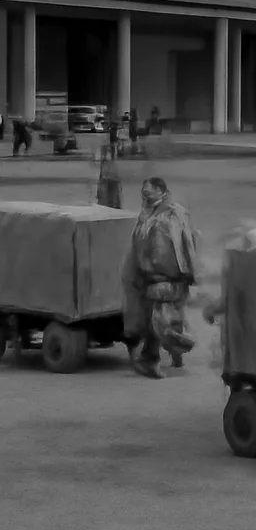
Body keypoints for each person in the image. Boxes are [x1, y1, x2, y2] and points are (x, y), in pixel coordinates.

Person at [122, 177, 200, 378]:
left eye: (148, 192)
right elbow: (138, 246)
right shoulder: (147, 214)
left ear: (162, 192)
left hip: (168, 277)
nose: (145, 195)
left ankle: (153, 358)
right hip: (154, 277)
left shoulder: (174, 214)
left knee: (161, 322)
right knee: (163, 321)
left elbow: (184, 244)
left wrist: (187, 272)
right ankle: (170, 355)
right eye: (143, 192)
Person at [96, 144, 123, 209]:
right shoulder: (105, 163)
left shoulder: (108, 164)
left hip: (110, 182)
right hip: (108, 182)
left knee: (110, 200)